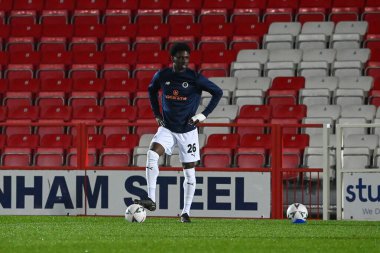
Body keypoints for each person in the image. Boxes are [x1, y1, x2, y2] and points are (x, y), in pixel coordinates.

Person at [134, 42, 223, 223]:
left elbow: (218, 92)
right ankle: (151, 199)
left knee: (189, 172)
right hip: (167, 127)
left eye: (186, 58)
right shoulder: (163, 75)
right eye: (180, 57)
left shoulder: (195, 78)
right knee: (151, 153)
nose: (184, 61)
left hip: (188, 131)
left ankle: (185, 213)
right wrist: (157, 114)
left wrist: (203, 115)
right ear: (172, 58)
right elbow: (151, 91)